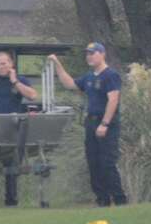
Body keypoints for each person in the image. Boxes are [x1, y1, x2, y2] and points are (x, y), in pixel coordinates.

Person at [50, 42, 127, 207]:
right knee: (93, 163)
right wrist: (57, 63)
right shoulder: (89, 76)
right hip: (90, 122)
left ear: (102, 54)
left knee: (107, 163)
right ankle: (102, 200)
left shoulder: (110, 75)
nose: (89, 56)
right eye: (87, 54)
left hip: (106, 123)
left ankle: (120, 200)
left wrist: (104, 124)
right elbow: (69, 84)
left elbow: (113, 100)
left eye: (93, 53)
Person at [0, 51, 38, 206]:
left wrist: (15, 82)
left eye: (4, 63)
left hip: (11, 129)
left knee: (11, 168)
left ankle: (11, 201)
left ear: (11, 64)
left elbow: (33, 95)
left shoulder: (20, 79)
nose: (1, 67)